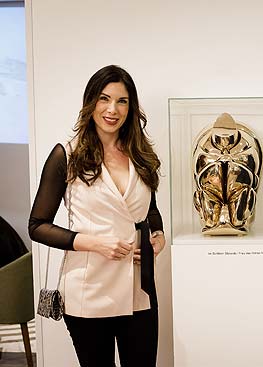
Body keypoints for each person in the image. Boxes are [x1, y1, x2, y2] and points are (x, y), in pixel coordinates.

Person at [29, 65, 165, 367]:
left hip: (139, 288)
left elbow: (150, 210)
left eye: (122, 101)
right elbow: (37, 226)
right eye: (104, 99)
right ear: (91, 102)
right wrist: (93, 243)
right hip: (88, 290)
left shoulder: (141, 155)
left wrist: (159, 237)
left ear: (131, 107)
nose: (112, 109)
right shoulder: (67, 155)